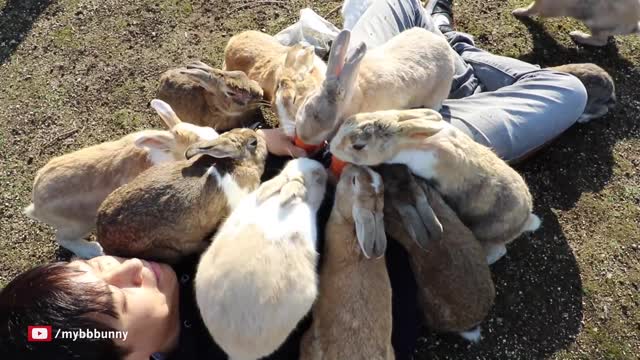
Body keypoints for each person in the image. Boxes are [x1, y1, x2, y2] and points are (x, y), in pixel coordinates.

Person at [1, 1, 589, 359]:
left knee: (385, 4)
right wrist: (364, 190)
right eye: (120, 295)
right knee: (568, 91)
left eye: (95, 265)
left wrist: (261, 144)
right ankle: (456, 58)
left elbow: (198, 174)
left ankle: (444, 51)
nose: (123, 264)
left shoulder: (137, 250)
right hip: (387, 168)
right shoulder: (248, 336)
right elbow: (377, 316)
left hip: (331, 133)